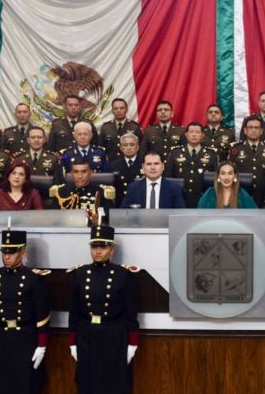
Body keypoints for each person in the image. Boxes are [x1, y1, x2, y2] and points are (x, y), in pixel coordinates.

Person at [68, 222, 139, 393]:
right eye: (94, 247)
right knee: (87, 383)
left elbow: (131, 313)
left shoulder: (123, 275)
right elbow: (74, 312)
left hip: (114, 336)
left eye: (103, 247)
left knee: (113, 384)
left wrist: (133, 343)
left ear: (112, 250)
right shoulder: (80, 274)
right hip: (87, 335)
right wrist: (72, 342)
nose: (97, 251)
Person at [0, 228, 50, 394]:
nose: (7, 256)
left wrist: (42, 345)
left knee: (24, 385)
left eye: (12, 252)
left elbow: (42, 316)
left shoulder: (34, 279)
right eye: (4, 252)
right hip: (2, 337)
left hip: (25, 339)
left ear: (23, 253)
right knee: (0, 385)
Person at [228, 115, 265, 206]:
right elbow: (231, 172)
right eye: (250, 127)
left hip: (264, 194)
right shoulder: (235, 148)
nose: (253, 130)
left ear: (261, 131)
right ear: (245, 130)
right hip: (241, 194)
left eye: (256, 128)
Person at [165, 122, 219, 208]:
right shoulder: (175, 153)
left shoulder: (211, 154)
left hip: (204, 199)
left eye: (197, 132)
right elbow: (168, 177)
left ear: (202, 135)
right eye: (191, 132)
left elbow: (215, 178)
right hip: (180, 198)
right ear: (186, 134)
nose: (194, 135)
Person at [50, 158, 115, 216]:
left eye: (84, 172)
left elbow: (108, 217)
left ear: (90, 173)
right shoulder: (61, 191)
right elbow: (53, 216)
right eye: (76, 172)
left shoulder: (102, 192)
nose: (80, 176)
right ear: (72, 174)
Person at [121, 151, 186, 208]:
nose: (152, 167)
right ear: (143, 167)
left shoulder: (173, 188)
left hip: (165, 222)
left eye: (156, 164)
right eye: (149, 164)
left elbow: (179, 214)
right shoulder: (133, 188)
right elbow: (124, 213)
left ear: (163, 166)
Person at [99, 98, 142, 162]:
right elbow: (101, 148)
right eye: (116, 108)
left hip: (130, 164)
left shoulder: (135, 127)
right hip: (110, 165)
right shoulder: (105, 127)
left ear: (126, 110)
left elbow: (140, 148)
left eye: (121, 108)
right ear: (112, 111)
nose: (119, 111)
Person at [109, 133, 143, 208]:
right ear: (121, 148)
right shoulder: (113, 165)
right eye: (125, 145)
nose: (129, 148)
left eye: (132, 144)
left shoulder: (144, 164)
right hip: (120, 205)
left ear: (137, 147)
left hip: (140, 205)